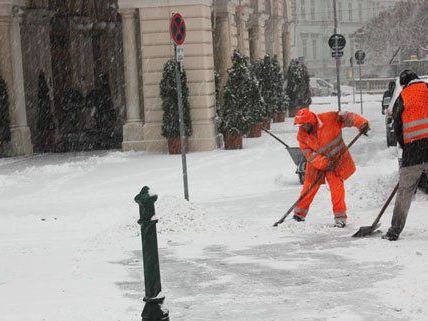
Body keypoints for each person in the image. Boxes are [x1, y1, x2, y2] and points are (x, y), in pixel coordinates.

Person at [293, 108, 369, 227]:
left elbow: (347, 116)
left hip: (336, 161)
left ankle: (340, 217)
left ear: (311, 121)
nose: (302, 128)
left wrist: (361, 123)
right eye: (300, 125)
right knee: (308, 187)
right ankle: (298, 215)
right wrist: (324, 163)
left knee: (336, 187)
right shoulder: (301, 135)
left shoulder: (330, 118)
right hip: (316, 164)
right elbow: (310, 155)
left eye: (304, 124)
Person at [383, 70, 428, 241]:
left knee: (405, 192)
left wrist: (406, 146)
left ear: (403, 84)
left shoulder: (402, 97)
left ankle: (394, 231)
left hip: (413, 152)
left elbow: (397, 126)